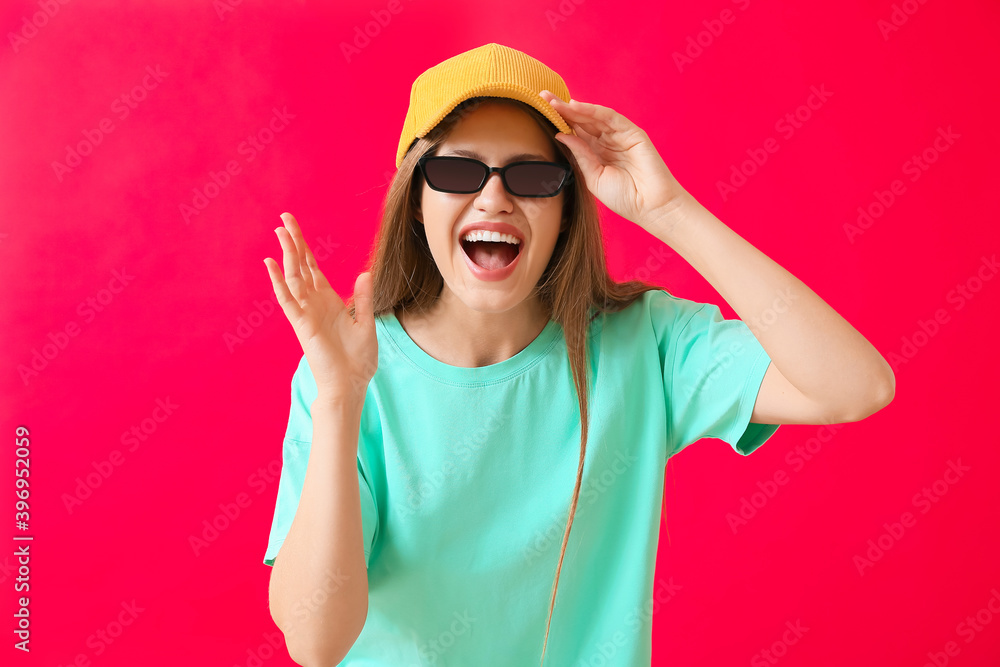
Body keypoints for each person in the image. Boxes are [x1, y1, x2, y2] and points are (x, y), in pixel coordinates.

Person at [261, 43, 895, 667]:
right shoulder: (349, 368)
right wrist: (340, 401)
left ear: (567, 209)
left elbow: (856, 386)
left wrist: (670, 211)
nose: (493, 199)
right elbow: (316, 643)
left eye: (533, 177)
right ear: (416, 201)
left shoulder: (644, 343)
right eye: (457, 171)